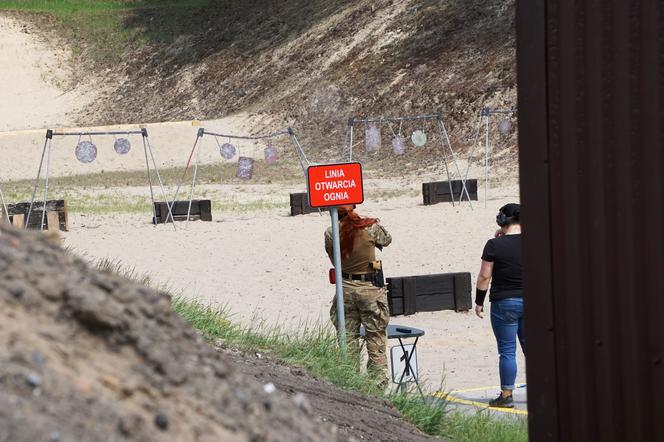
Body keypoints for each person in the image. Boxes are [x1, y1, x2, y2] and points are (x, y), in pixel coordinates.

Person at [324, 205, 392, 383]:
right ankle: (377, 386)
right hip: (370, 288)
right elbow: (387, 240)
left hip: (345, 289)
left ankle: (350, 381)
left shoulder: (331, 233)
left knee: (347, 341)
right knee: (375, 340)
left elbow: (334, 260)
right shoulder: (370, 227)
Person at [475, 203, 524, 408]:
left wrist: (479, 301)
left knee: (507, 350)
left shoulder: (494, 245)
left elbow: (485, 276)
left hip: (504, 302)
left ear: (502, 220)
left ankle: (506, 395)